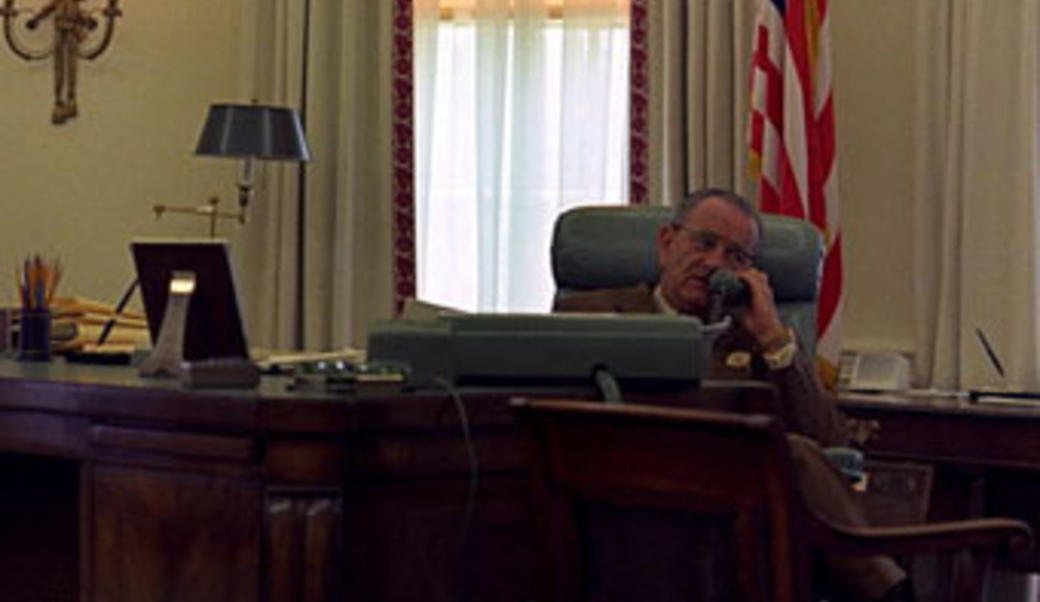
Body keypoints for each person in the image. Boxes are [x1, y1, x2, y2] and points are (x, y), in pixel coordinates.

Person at [555, 188, 914, 602]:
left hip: (731, 517)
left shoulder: (750, 339)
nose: (714, 264)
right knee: (789, 453)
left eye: (735, 257)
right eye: (704, 243)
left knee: (795, 452)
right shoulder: (593, 313)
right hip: (625, 496)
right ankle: (893, 592)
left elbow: (830, 444)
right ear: (666, 244)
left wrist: (773, 337)